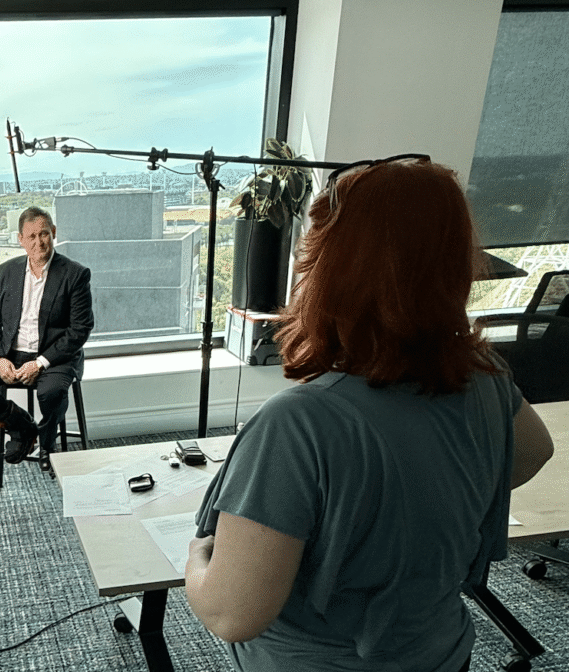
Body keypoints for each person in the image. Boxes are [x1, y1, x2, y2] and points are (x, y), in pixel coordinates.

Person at [184, 157, 554, 672]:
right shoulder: (486, 377)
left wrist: (198, 557)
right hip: (443, 655)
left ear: (330, 268)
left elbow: (231, 615)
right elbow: (534, 453)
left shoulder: (301, 423)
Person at [0, 206, 93, 466]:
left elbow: (80, 329)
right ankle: (21, 425)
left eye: (44, 234)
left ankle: (48, 444)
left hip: (55, 356)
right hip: (12, 353)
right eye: (31, 236)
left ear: (53, 233)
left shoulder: (75, 274)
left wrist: (40, 363)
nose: (38, 242)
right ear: (20, 239)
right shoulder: (6, 271)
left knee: (51, 393)